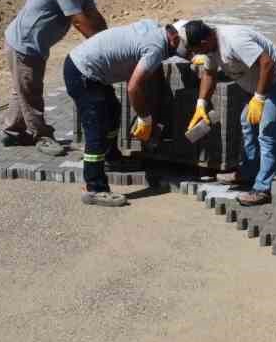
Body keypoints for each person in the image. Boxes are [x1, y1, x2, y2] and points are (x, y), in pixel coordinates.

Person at [64, 18, 215, 207]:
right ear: (175, 39)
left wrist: (192, 59)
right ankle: (95, 188)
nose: (190, 54)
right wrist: (145, 119)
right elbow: (134, 87)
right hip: (82, 73)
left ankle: (112, 158)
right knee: (97, 129)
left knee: (112, 111)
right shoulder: (155, 48)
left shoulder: (155, 27)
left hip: (87, 68)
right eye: (189, 50)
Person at [1, 0, 111, 155]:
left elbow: (93, 15)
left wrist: (109, 38)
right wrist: (100, 48)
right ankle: (41, 136)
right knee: (31, 91)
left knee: (23, 88)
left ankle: (12, 131)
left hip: (37, 45)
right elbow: (78, 21)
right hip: (24, 44)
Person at [190, 24, 276, 206]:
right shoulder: (211, 49)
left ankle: (262, 190)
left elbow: (267, 63)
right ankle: (248, 173)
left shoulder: (234, 40)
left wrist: (260, 98)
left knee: (267, 133)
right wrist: (201, 104)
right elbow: (209, 74)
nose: (199, 53)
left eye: (198, 49)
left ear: (205, 40)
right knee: (246, 121)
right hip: (257, 85)